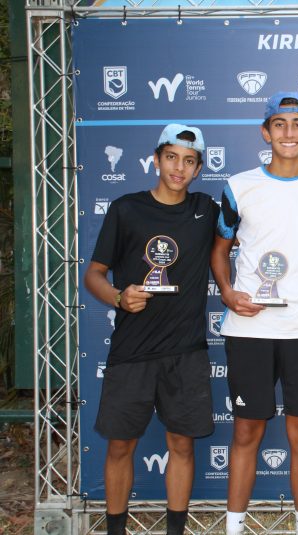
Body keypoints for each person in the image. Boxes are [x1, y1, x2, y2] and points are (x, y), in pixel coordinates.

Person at [211, 92, 298, 535]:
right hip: (249, 329)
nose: (288, 133)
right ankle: (234, 528)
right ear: (265, 131)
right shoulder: (239, 186)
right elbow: (220, 248)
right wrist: (227, 292)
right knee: (245, 433)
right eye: (279, 124)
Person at [85, 124, 217, 535]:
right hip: (132, 351)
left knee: (182, 445)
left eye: (189, 161)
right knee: (120, 446)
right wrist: (118, 297)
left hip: (186, 352)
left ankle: (175, 530)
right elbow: (93, 274)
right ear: (156, 159)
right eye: (172, 157)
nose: (179, 168)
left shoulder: (207, 210)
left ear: (198, 169)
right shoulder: (126, 209)